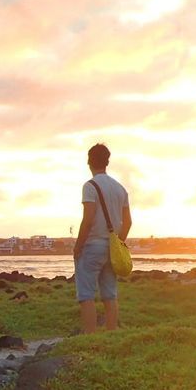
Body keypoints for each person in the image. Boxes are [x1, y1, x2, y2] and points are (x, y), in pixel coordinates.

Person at [72, 143, 131, 333]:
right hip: (111, 248)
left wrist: (78, 246)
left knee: (86, 295)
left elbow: (88, 220)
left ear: (89, 161)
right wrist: (118, 243)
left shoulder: (90, 187)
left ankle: (90, 338)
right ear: (107, 162)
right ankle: (110, 336)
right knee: (110, 295)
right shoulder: (120, 189)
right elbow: (128, 222)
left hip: (92, 246)